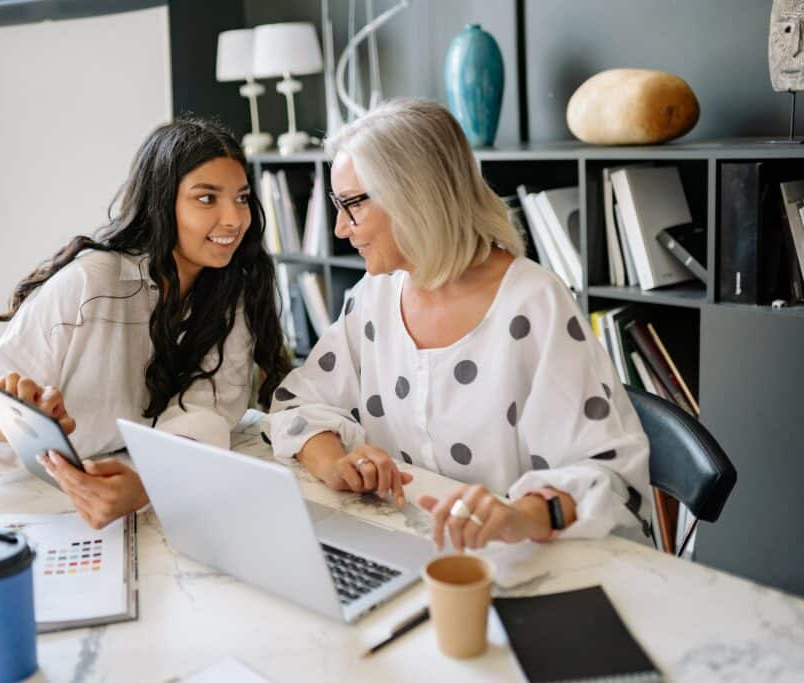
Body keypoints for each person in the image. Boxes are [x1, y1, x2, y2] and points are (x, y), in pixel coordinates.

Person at [264, 99, 651, 552]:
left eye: (352, 205)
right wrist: (338, 464)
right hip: (410, 549)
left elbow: (609, 474)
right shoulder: (374, 298)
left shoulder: (534, 304)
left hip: (526, 564)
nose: (340, 229)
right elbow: (298, 404)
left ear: (412, 197)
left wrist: (516, 514)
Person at [0, 118, 290, 529]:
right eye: (206, 199)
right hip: (26, 509)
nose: (234, 218)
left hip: (127, 492)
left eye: (241, 198)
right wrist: (20, 417)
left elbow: (207, 412)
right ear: (162, 203)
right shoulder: (91, 282)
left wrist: (150, 485)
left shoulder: (230, 291)